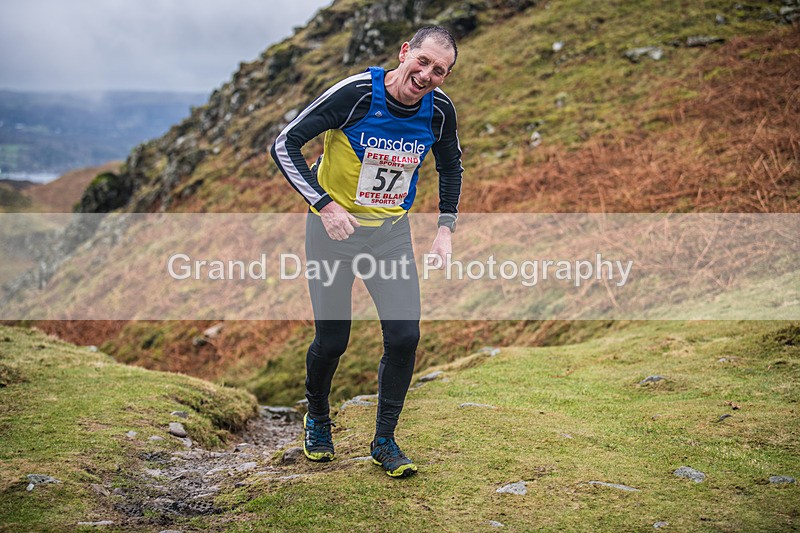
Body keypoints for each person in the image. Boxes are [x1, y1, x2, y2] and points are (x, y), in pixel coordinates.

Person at [270, 26, 462, 478]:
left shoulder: (439, 112)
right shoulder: (356, 94)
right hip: (332, 234)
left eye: (440, 70)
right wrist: (323, 204)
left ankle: (384, 441)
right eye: (423, 61)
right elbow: (284, 144)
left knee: (404, 337)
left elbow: (451, 164)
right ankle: (317, 417)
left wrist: (445, 229)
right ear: (405, 53)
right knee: (333, 340)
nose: (427, 74)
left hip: (389, 235)